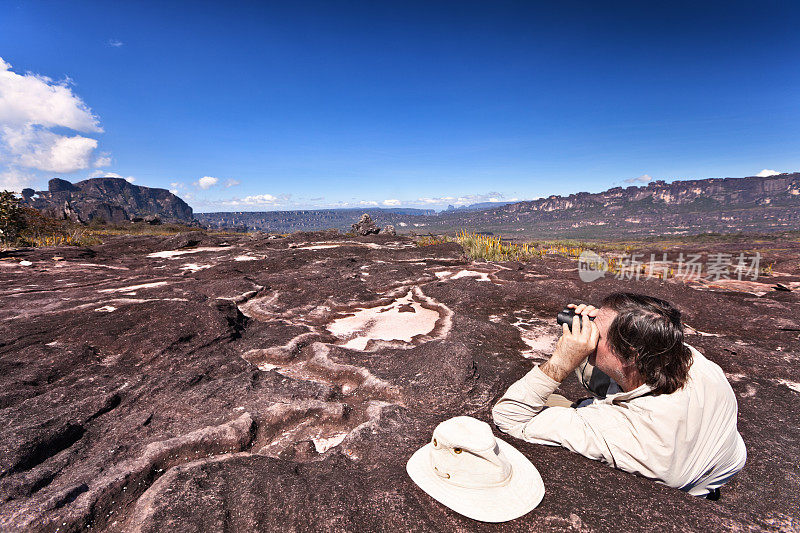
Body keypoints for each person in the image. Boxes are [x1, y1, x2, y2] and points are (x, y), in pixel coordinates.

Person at [492, 292, 747, 498]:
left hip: (675, 486)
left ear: (630, 353)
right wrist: (607, 324)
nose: (589, 334)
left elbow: (509, 416)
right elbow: (619, 372)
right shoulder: (688, 358)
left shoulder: (618, 430)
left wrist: (563, 360)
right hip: (713, 469)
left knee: (547, 401)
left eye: (597, 333)